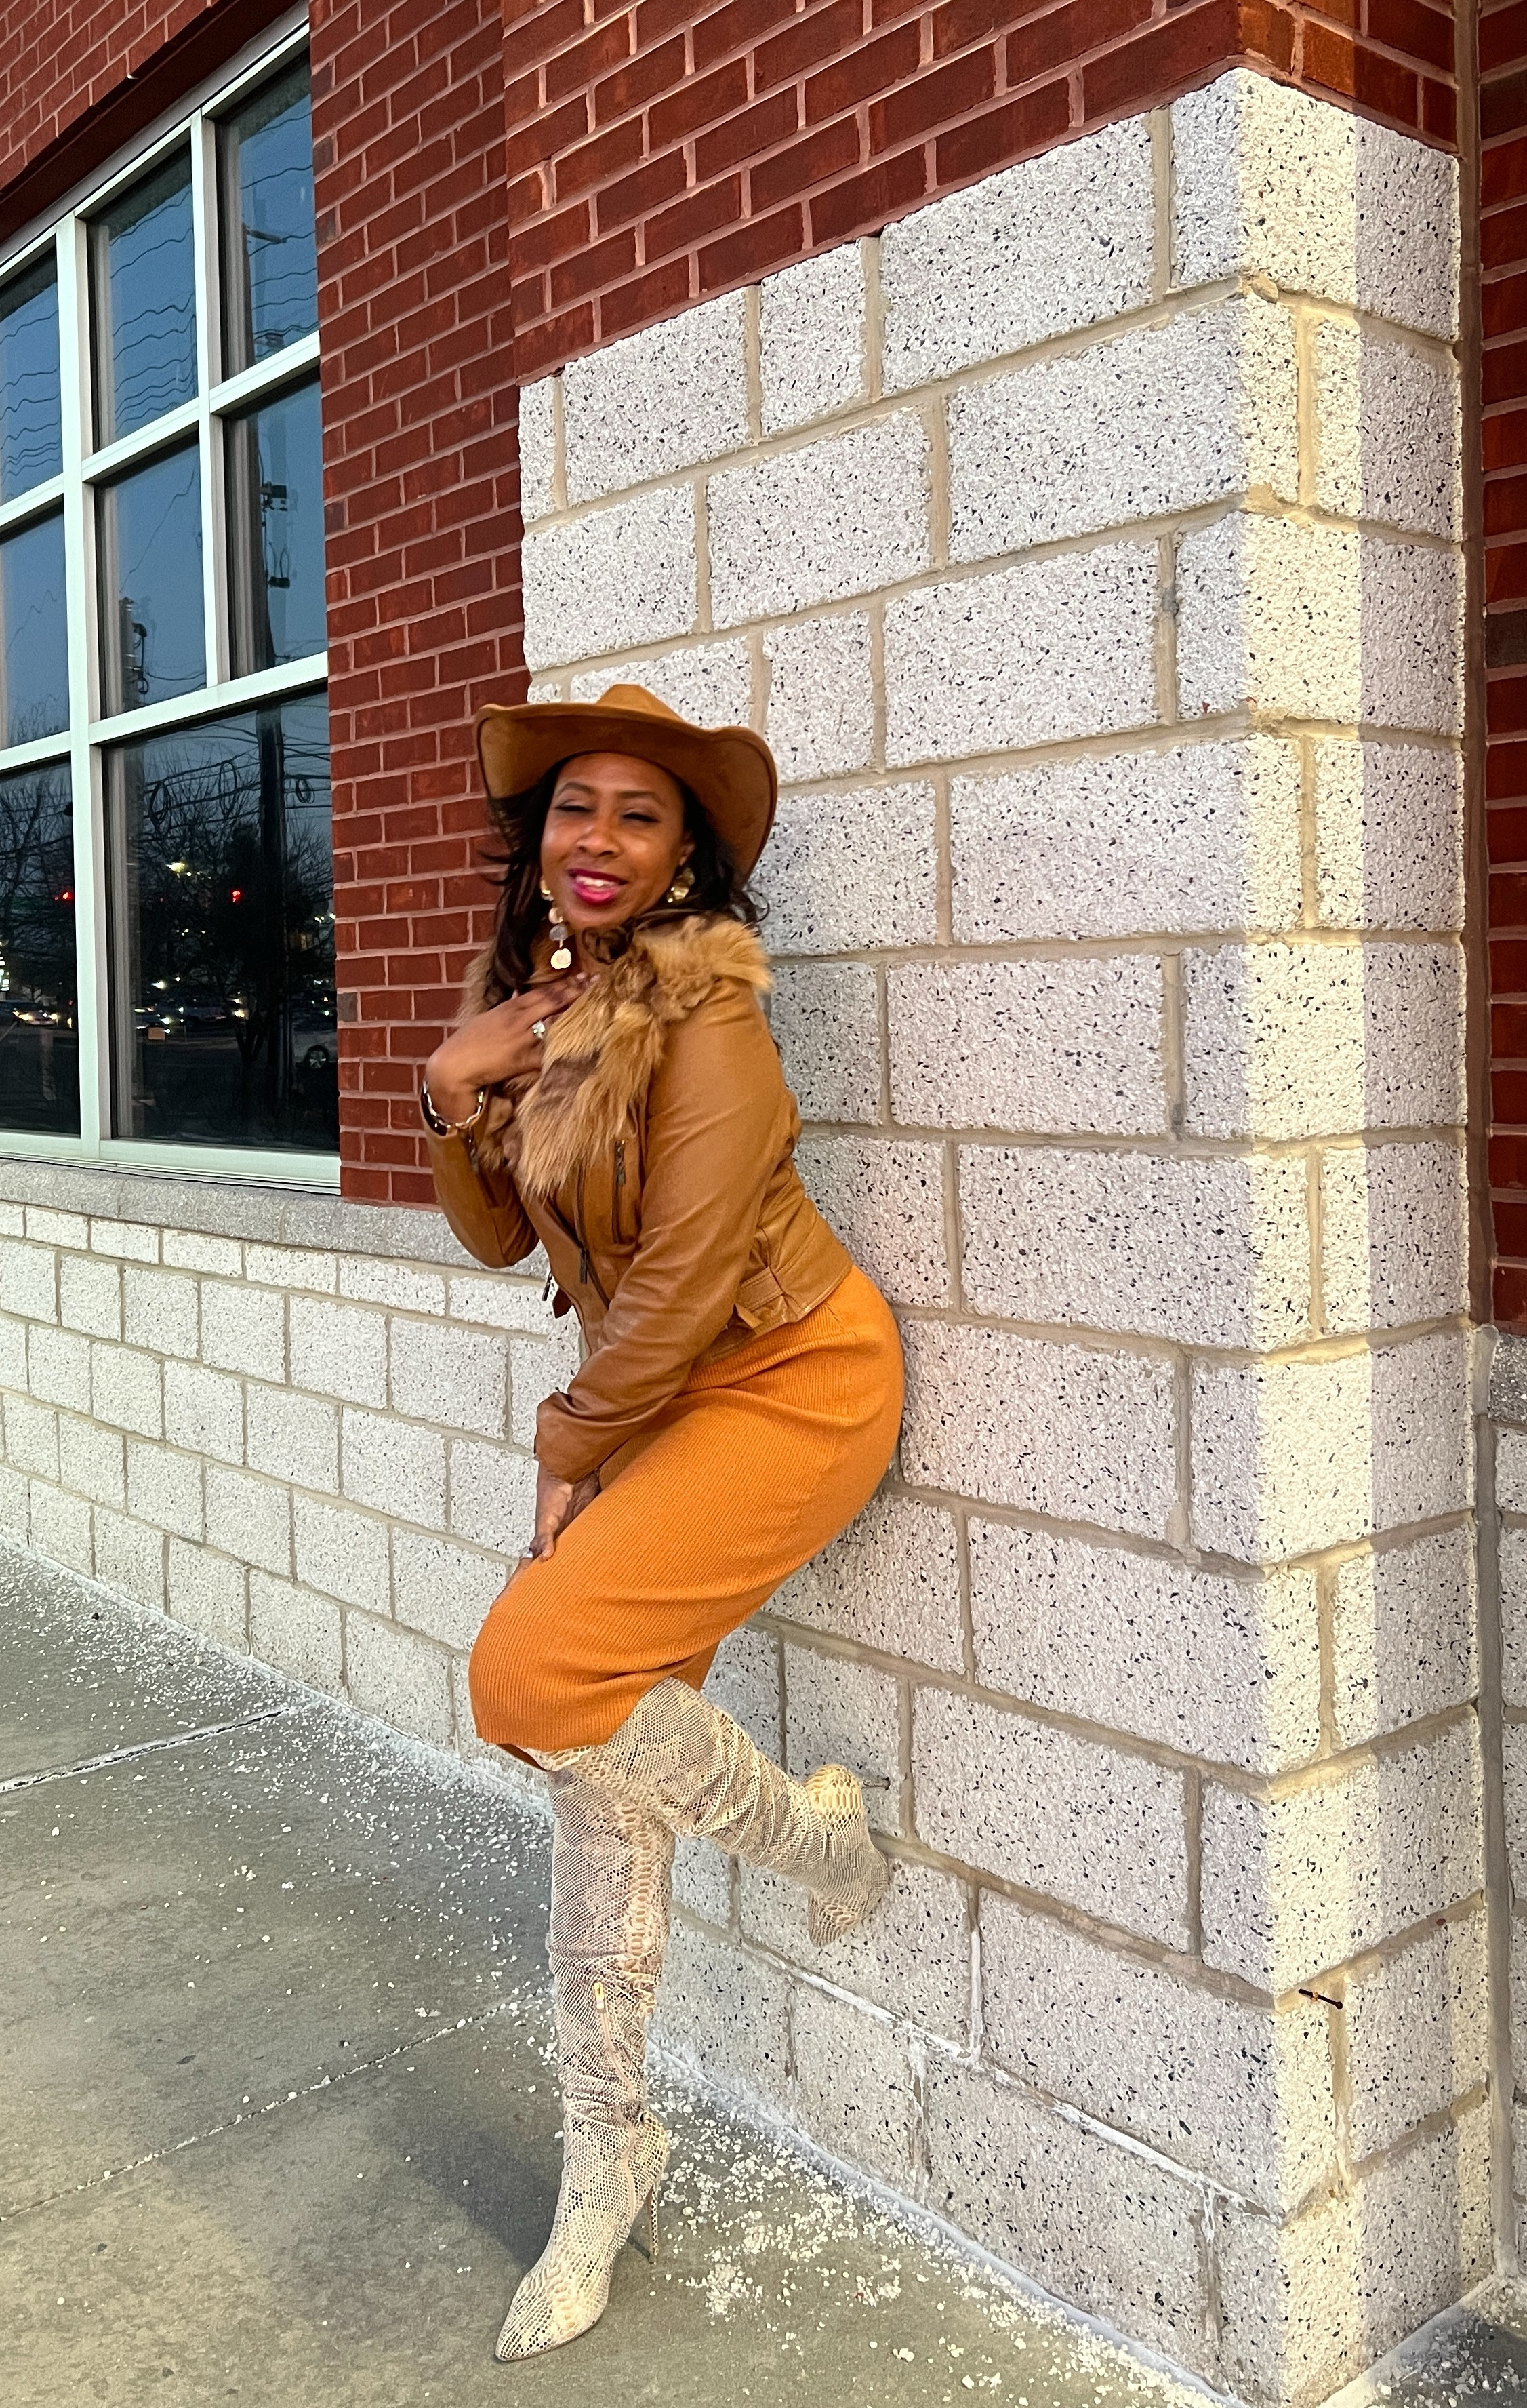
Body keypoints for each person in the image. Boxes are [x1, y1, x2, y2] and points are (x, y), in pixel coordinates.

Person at [420, 683, 905, 2363]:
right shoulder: (546, 1002)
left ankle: (822, 1848)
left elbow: (694, 1273)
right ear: (538, 842)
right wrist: (449, 1081)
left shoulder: (709, 1015)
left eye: (640, 813)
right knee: (592, 1773)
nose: (600, 839)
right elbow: (500, 1239)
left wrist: (569, 1444)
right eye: (574, 809)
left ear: (686, 848)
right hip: (657, 1394)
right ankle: (608, 2150)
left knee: (527, 1677)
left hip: (786, 1383)